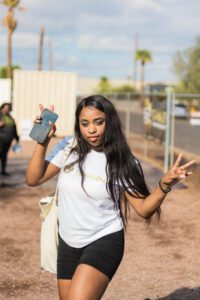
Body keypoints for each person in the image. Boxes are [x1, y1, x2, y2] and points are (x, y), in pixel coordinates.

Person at [26, 95, 195, 300]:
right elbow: (34, 179)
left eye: (99, 122)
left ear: (110, 122)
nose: (91, 130)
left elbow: (143, 208)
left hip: (103, 239)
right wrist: (42, 142)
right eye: (85, 123)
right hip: (68, 241)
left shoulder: (123, 161)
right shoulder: (69, 147)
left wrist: (164, 185)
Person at [0, 102, 19, 176]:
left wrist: (17, 138)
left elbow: (14, 128)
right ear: (2, 108)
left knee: (4, 155)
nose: (7, 109)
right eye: (6, 108)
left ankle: (3, 171)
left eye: (8, 108)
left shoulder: (10, 117)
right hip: (0, 140)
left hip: (8, 141)